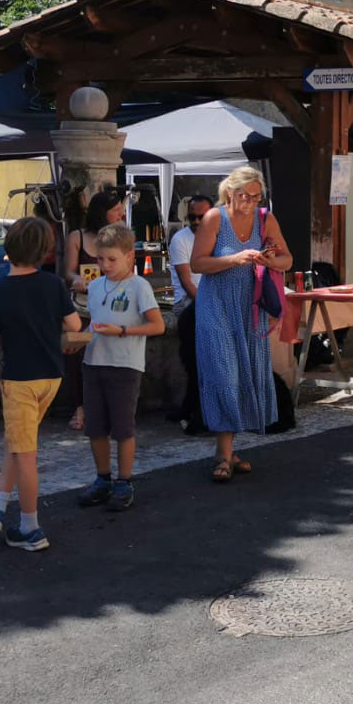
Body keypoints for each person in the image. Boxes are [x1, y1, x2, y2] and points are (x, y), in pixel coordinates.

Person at [0, 217, 82, 551]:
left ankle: (31, 526)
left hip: (19, 379)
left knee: (25, 453)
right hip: (51, 376)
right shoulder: (54, 284)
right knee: (17, 442)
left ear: (8, 250)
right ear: (44, 252)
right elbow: (73, 323)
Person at [191, 166, 292, 483]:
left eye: (255, 196)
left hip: (251, 306)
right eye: (243, 196)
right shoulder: (214, 219)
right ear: (229, 193)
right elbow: (198, 264)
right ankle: (223, 453)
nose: (249, 202)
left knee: (246, 370)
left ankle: (229, 451)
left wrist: (269, 261)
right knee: (223, 371)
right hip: (217, 305)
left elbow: (287, 259)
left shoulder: (266, 219)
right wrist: (235, 259)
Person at [76, 223, 163, 512]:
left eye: (112, 259)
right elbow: (96, 323)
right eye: (101, 259)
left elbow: (157, 325)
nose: (105, 265)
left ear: (129, 256)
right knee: (96, 427)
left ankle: (124, 481)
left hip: (124, 365)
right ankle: (103, 479)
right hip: (94, 362)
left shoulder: (139, 286)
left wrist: (122, 331)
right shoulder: (97, 285)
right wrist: (79, 340)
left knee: (123, 428)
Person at [62, 189, 125, 431]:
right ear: (102, 213)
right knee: (75, 353)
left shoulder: (122, 237)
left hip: (110, 306)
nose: (121, 214)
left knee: (108, 355)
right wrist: (76, 278)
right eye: (115, 211)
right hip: (82, 306)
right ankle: (80, 406)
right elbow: (66, 271)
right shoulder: (77, 236)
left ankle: (104, 406)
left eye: (121, 210)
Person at [169, 194, 211, 434]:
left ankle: (191, 408)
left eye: (201, 217)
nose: (196, 221)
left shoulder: (217, 238)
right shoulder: (181, 240)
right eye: (192, 217)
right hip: (189, 303)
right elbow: (187, 283)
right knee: (197, 361)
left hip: (209, 302)